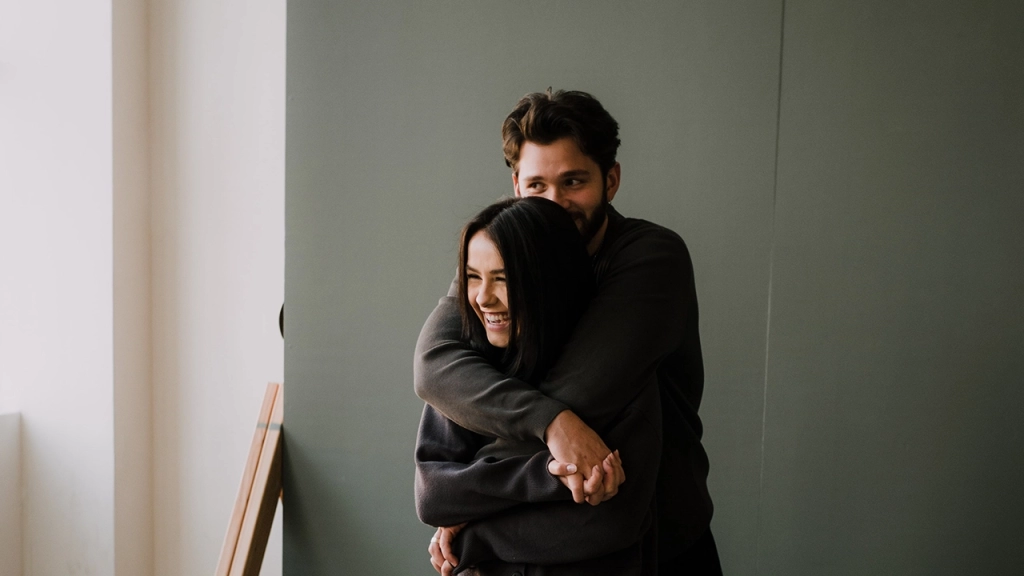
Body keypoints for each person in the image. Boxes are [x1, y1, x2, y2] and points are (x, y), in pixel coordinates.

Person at [415, 90, 720, 574]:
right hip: (518, 552)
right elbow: (436, 365)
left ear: (610, 180)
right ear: (516, 185)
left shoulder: (650, 258)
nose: (555, 204)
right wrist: (553, 427)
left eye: (573, 181)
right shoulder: (494, 257)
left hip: (657, 544)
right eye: (537, 185)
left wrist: (468, 500)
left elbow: (581, 394)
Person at [415, 196, 663, 575]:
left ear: (549, 280)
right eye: (473, 277)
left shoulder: (619, 379)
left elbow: (606, 526)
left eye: (503, 279)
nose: (483, 298)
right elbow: (434, 496)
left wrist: (472, 534)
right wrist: (547, 476)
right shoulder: (469, 371)